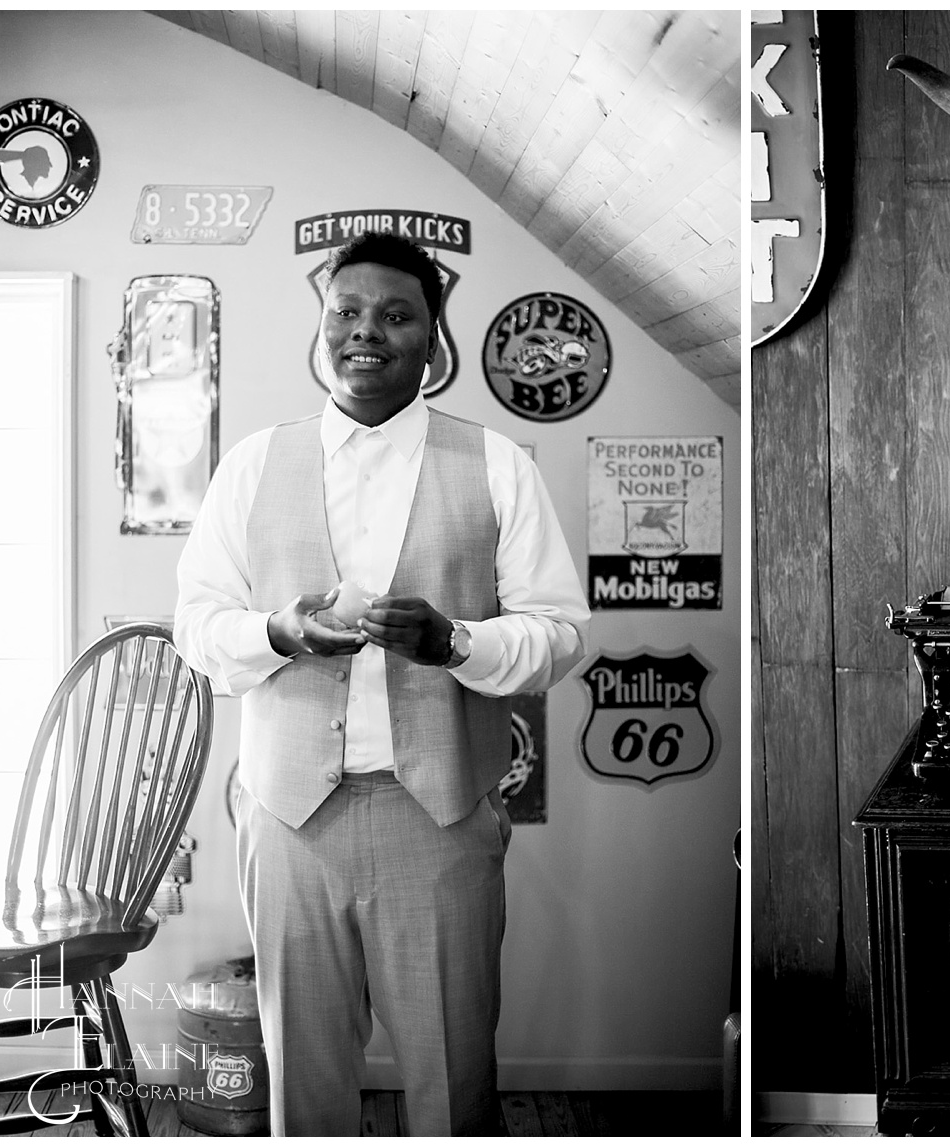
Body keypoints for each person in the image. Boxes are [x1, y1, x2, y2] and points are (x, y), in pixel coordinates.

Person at [175, 231, 589, 1135]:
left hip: (438, 818)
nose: (368, 331)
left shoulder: (496, 463)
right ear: (322, 324)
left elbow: (559, 636)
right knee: (305, 1083)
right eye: (348, 311)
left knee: (452, 1077)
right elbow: (198, 631)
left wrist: (455, 644)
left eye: (397, 315)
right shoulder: (251, 465)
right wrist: (278, 632)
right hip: (288, 819)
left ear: (433, 337)